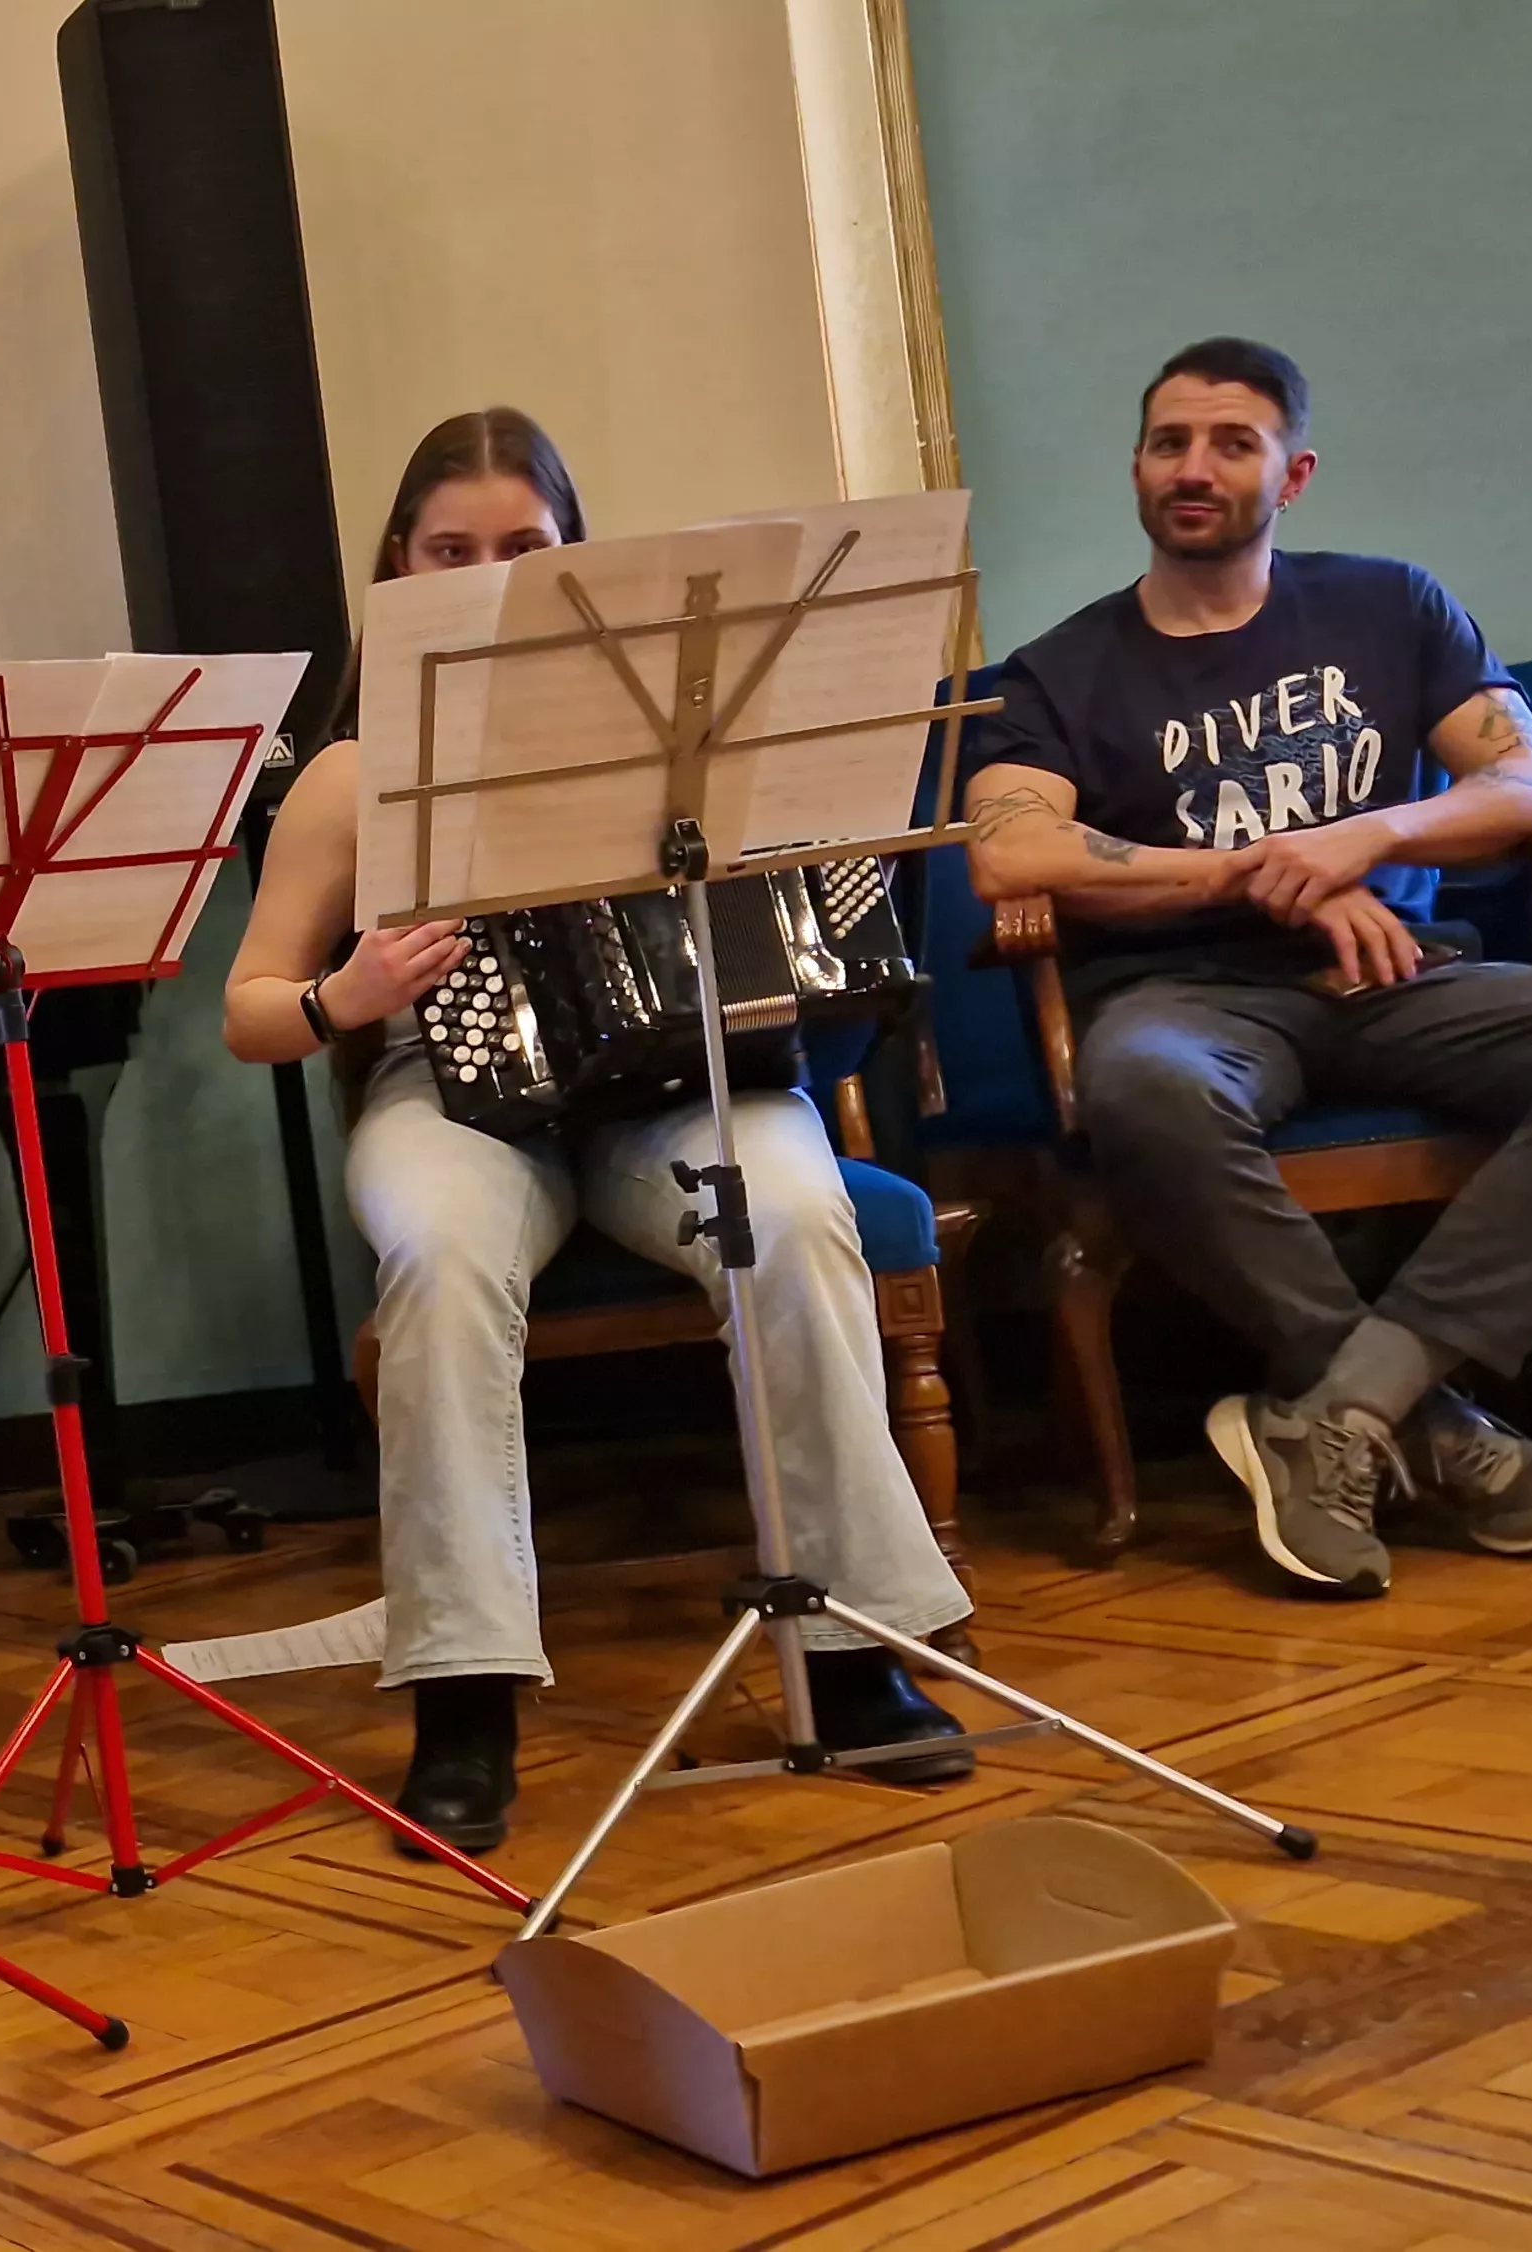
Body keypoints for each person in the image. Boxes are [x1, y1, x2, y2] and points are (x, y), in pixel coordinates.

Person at [220, 408, 975, 1859]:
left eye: (525, 549)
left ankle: (847, 1646)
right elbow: (253, 1007)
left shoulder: (693, 736)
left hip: (682, 1088)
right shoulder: (353, 767)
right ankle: (464, 1685)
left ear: (581, 559)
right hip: (449, 1102)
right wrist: (344, 995)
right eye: (453, 552)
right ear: (397, 565)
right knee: (437, 1254)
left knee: (799, 1216)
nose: (490, 577)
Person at [961, 337, 1532, 1599]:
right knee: (1142, 1082)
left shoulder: (1391, 605)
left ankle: (1338, 1407)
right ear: (1138, 467)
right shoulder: (1059, 669)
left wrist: (1361, 837)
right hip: (1185, 997)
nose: (1192, 468)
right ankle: (1428, 1424)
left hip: (1397, 975)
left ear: (1293, 472)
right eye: (1168, 443)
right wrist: (1249, 870)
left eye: (1231, 443)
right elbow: (1013, 855)